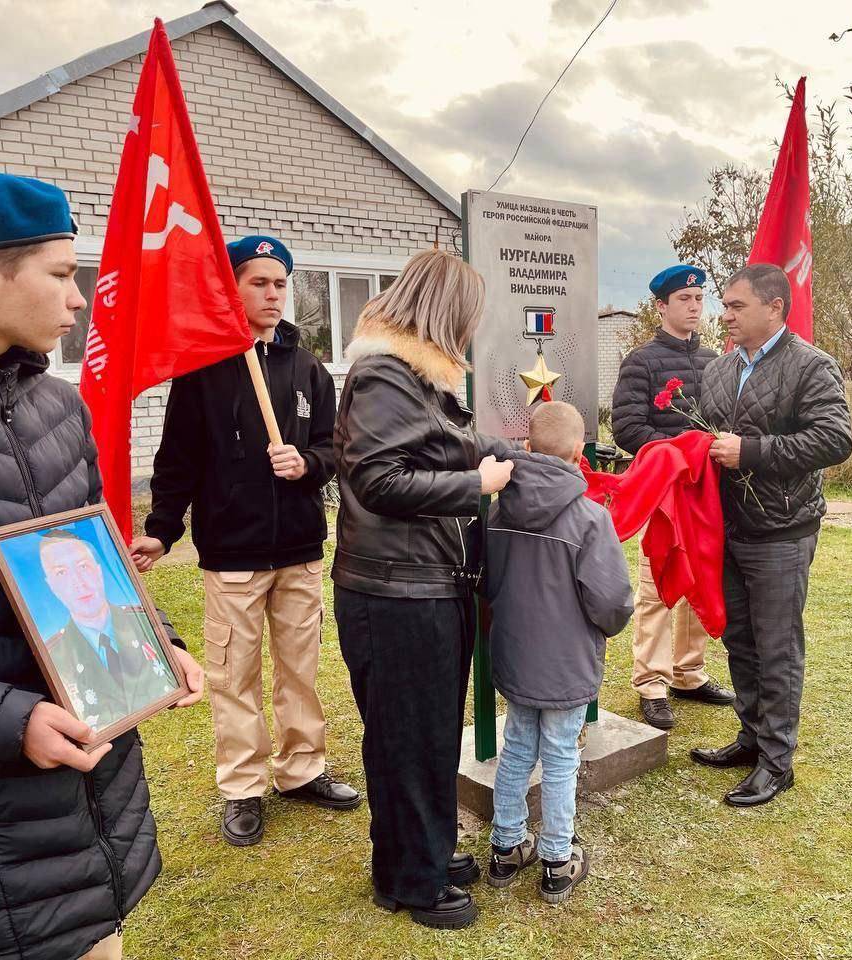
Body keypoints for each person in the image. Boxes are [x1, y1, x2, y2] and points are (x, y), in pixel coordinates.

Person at [0, 170, 203, 960]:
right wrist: (11, 723)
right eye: (58, 273)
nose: (79, 299)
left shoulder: (56, 406)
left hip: (85, 812)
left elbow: (98, 558)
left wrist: (159, 641)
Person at [131, 235, 357, 847]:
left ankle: (301, 767)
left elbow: (334, 447)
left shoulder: (307, 367)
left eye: (280, 283)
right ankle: (242, 785)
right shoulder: (203, 370)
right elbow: (176, 458)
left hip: (300, 549)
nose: (273, 293)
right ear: (231, 287)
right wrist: (160, 531)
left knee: (300, 669)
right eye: (258, 282)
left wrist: (307, 465)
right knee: (234, 673)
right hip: (233, 552)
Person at [333, 249, 515, 929]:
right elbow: (380, 480)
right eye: (468, 316)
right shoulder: (384, 375)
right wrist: (478, 485)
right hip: (395, 594)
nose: (472, 329)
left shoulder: (418, 380)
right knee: (406, 741)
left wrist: (498, 454)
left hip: (426, 585)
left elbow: (436, 447)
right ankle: (413, 881)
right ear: (444, 311)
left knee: (430, 734)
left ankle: (424, 852)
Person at [694, 263, 852, 807]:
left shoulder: (811, 367)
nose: (726, 315)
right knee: (739, 638)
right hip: (727, 526)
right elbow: (704, 437)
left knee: (776, 646)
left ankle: (777, 761)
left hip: (782, 530)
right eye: (726, 305)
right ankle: (751, 736)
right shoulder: (717, 370)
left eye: (737, 306)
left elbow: (834, 440)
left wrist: (752, 453)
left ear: (775, 308)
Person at [483, 401, 634, 904]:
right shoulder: (591, 519)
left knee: (517, 747)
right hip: (567, 659)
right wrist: (604, 628)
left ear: (526, 448)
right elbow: (611, 599)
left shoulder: (499, 509)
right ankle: (555, 858)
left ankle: (505, 848)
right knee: (561, 755)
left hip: (515, 653)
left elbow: (489, 581)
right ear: (578, 452)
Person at [611, 263, 734, 730]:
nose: (694, 306)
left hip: (706, 488)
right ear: (661, 306)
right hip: (665, 490)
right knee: (659, 581)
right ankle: (652, 682)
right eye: (684, 300)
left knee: (702, 573)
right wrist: (676, 451)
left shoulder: (715, 363)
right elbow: (626, 427)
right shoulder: (641, 361)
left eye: (699, 299)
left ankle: (687, 671)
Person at [40, 529, 178, 730]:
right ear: (51, 585)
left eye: (83, 567)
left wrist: (172, 649)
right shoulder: (55, 656)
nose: (78, 583)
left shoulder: (141, 623)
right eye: (61, 572)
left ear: (99, 570)